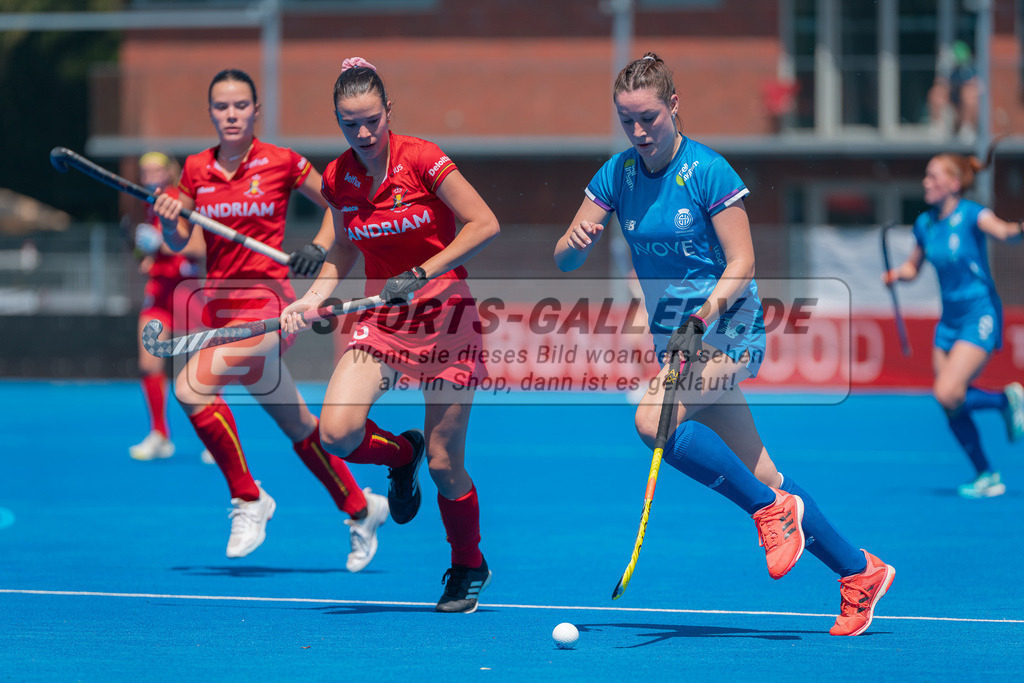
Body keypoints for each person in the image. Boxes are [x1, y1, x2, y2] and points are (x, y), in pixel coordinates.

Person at [554, 52, 894, 637]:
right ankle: (859, 571)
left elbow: (743, 262)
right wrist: (576, 238)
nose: (639, 133)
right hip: (677, 345)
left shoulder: (708, 171)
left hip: (728, 333)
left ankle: (767, 514)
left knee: (650, 421)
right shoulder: (616, 174)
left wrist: (703, 312)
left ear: (674, 106)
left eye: (649, 118)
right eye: (627, 120)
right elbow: (563, 260)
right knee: (769, 476)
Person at [281, 57, 500, 613]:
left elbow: (484, 223)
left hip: (448, 320)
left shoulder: (422, 160)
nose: (364, 134)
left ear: (388, 112)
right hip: (384, 322)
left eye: (373, 120)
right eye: (350, 123)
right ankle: (401, 456)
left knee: (447, 464)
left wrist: (424, 273)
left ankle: (468, 563)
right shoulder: (337, 178)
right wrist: (308, 301)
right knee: (335, 433)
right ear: (338, 120)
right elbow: (346, 248)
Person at [152, 68, 387, 571]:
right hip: (221, 308)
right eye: (221, 107)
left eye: (240, 106)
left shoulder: (280, 162)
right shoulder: (195, 170)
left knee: (192, 388)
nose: (231, 114)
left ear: (255, 110)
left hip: (267, 308)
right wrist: (171, 217)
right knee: (300, 426)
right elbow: (181, 244)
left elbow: (339, 202)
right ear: (211, 112)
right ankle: (361, 508)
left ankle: (248, 497)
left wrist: (318, 247)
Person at [884, 147, 1024, 498]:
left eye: (933, 176)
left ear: (953, 182)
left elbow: (1006, 232)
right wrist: (897, 274)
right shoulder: (925, 224)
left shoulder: (972, 214)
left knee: (947, 390)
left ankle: (1005, 401)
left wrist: (1020, 229)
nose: (925, 182)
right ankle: (986, 474)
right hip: (948, 321)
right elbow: (914, 267)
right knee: (949, 400)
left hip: (980, 314)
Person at [128, 151, 207, 462]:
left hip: (186, 292)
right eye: (144, 173)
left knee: (202, 369)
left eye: (155, 172)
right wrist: (145, 256)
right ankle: (159, 434)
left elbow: (199, 247)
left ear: (168, 172)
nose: (149, 178)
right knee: (149, 363)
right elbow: (148, 249)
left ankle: (213, 437)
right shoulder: (148, 205)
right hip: (158, 292)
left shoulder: (180, 200)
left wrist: (159, 243)